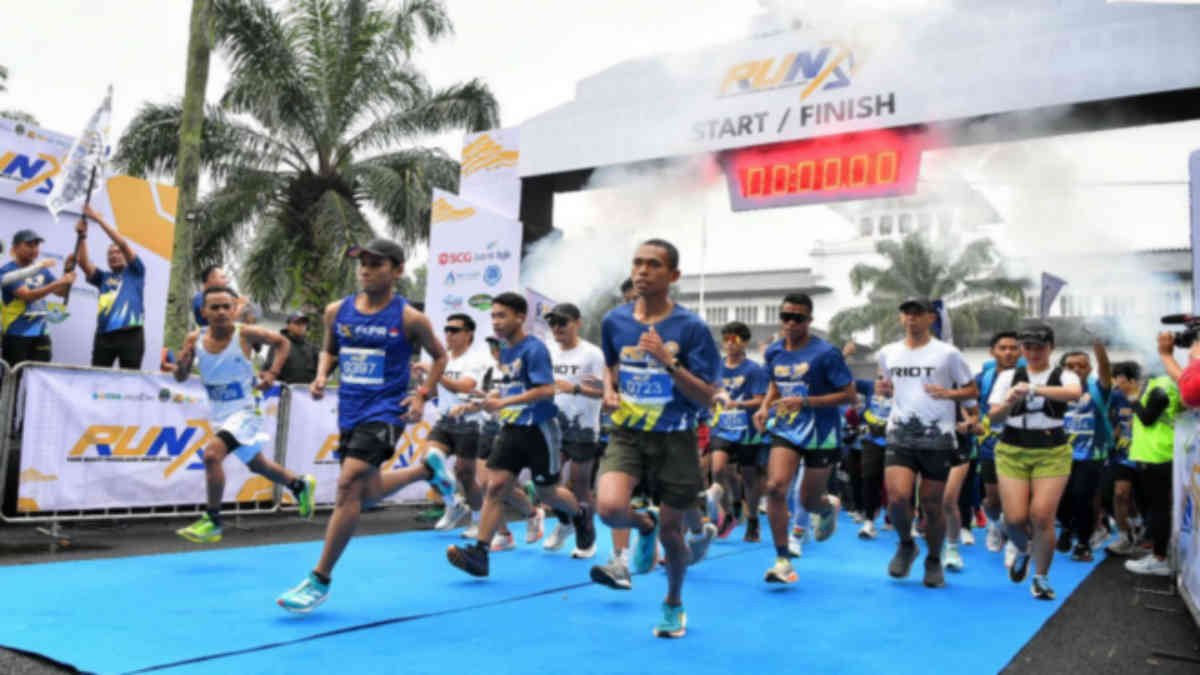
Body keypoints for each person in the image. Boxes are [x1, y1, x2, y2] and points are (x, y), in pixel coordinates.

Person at [276, 238, 456, 613]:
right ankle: (425, 470)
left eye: (376, 264)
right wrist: (322, 375)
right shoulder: (336, 311)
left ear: (397, 270)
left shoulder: (410, 319)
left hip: (387, 409)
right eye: (363, 264)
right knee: (366, 492)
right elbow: (330, 349)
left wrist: (422, 395)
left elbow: (440, 357)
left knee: (348, 485)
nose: (366, 270)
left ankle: (319, 579)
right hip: (350, 408)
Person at [591, 239, 719, 639]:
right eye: (637, 263)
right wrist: (609, 391)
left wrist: (669, 362)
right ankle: (641, 524)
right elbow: (612, 366)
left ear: (673, 275)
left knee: (672, 533)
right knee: (610, 508)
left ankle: (673, 602)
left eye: (653, 264)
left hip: (675, 439)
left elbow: (707, 395)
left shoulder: (691, 327)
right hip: (628, 433)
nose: (642, 271)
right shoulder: (614, 321)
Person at [445, 292, 592, 577]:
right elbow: (508, 389)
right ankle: (480, 554)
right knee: (495, 487)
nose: (496, 322)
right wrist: (475, 404)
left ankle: (579, 514)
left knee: (547, 492)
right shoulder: (505, 350)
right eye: (493, 316)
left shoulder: (534, 349)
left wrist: (503, 403)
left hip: (540, 429)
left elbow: (545, 390)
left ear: (520, 317)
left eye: (502, 316)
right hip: (512, 429)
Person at [172, 286, 317, 544]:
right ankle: (298, 484)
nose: (221, 312)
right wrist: (182, 365)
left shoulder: (246, 333)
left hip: (247, 410)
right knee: (257, 465)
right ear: (204, 312)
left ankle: (213, 520)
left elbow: (283, 342)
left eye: (226, 307)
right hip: (220, 414)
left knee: (212, 454)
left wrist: (272, 373)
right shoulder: (194, 339)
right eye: (215, 307)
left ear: (234, 309)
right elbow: (180, 377)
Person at [753, 292, 855, 585]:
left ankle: (827, 506)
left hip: (821, 433)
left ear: (809, 320)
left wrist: (806, 401)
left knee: (808, 500)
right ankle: (783, 560)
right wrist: (764, 407)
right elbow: (775, 384)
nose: (791, 322)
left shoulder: (826, 353)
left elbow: (849, 395)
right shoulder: (774, 351)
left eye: (797, 318)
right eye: (786, 316)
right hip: (786, 428)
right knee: (775, 488)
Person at [875, 298, 977, 589]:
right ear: (900, 318)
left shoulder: (948, 353)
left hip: (938, 437)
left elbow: (971, 391)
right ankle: (906, 545)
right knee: (897, 498)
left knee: (932, 505)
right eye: (906, 313)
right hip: (900, 433)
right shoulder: (887, 352)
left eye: (918, 313)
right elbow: (887, 387)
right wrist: (884, 389)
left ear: (931, 318)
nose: (911, 318)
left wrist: (949, 395)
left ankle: (933, 559)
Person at [988, 322, 1082, 600]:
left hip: (1051, 449)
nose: (1033, 352)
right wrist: (1008, 402)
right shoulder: (1007, 376)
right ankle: (1024, 549)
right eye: (1027, 347)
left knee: (1041, 515)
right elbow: (993, 416)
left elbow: (1074, 393)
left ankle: (1041, 577)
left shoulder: (1064, 374)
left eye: (1039, 346)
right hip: (1012, 449)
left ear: (1051, 348)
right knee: (1015, 519)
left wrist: (1034, 389)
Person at [543, 302, 606, 559]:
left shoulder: (592, 354)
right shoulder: (548, 351)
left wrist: (575, 388)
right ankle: (566, 522)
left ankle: (586, 539)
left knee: (580, 486)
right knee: (546, 484)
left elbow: (604, 392)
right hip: (552, 426)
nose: (557, 328)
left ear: (577, 323)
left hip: (583, 428)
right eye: (553, 323)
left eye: (563, 322)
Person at [1121, 333, 1185, 576]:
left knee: (1158, 509)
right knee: (1156, 507)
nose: (1144, 366)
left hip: (1157, 455)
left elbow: (1147, 418)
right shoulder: (1162, 383)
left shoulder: (1163, 385)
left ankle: (1160, 558)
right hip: (1155, 454)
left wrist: (1132, 397)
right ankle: (1161, 553)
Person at [424, 313, 491, 532]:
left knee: (465, 475)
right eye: (447, 330)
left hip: (469, 422)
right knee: (429, 462)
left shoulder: (476, 359)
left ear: (468, 334)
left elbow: (464, 387)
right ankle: (453, 504)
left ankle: (478, 519)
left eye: (454, 330)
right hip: (444, 421)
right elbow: (435, 391)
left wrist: (435, 374)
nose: (449, 334)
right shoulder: (443, 359)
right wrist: (421, 388)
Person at [707, 321, 769, 542]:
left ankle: (752, 521)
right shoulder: (716, 367)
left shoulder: (754, 370)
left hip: (747, 431)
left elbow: (761, 400)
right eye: (726, 339)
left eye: (735, 339)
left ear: (745, 342)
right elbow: (709, 392)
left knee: (750, 478)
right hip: (722, 427)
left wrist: (738, 404)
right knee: (717, 470)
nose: (730, 344)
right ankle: (728, 514)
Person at [1056, 341, 1114, 562]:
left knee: (1083, 497)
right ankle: (1066, 527)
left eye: (1082, 365)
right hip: (1059, 454)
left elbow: (1105, 368)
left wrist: (1098, 345)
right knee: (1061, 498)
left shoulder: (1098, 389)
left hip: (1091, 455)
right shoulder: (1055, 390)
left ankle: (1082, 543)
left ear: (1090, 369)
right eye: (1071, 366)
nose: (1077, 369)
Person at [71, 206, 148, 369]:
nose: (114, 255)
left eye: (117, 252)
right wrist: (82, 236)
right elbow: (84, 263)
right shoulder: (103, 277)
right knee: (98, 377)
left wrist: (98, 219)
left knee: (130, 379)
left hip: (131, 334)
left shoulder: (136, 271)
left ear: (125, 255)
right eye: (110, 254)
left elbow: (123, 244)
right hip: (104, 335)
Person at [975, 331, 1021, 554]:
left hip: (1023, 445)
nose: (1008, 352)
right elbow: (968, 404)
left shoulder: (1030, 376)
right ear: (992, 352)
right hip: (990, 446)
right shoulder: (983, 378)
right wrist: (971, 421)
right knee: (992, 499)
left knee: (1018, 499)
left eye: (1013, 348)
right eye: (1003, 348)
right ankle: (995, 525)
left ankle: (1016, 536)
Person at [0, 229, 75, 365]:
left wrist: (67, 271)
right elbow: (27, 296)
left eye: (36, 245)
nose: (34, 249)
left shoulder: (42, 270)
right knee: (15, 375)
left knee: (40, 374)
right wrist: (60, 282)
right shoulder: (7, 271)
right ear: (15, 248)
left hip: (41, 334)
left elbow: (61, 292)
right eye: (29, 245)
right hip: (16, 334)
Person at [1105, 361, 1142, 556]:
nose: (1116, 383)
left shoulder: (1149, 394)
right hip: (1122, 454)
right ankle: (1124, 535)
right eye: (1115, 378)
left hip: (1147, 453)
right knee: (1121, 493)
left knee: (1139, 497)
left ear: (1133, 379)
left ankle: (1139, 524)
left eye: (1119, 378)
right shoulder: (1115, 396)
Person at [262, 312, 318, 384]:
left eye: (304, 324)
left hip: (306, 390)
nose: (301, 326)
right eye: (297, 323)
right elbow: (268, 369)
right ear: (288, 326)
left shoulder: (311, 348)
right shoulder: (279, 344)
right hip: (284, 389)